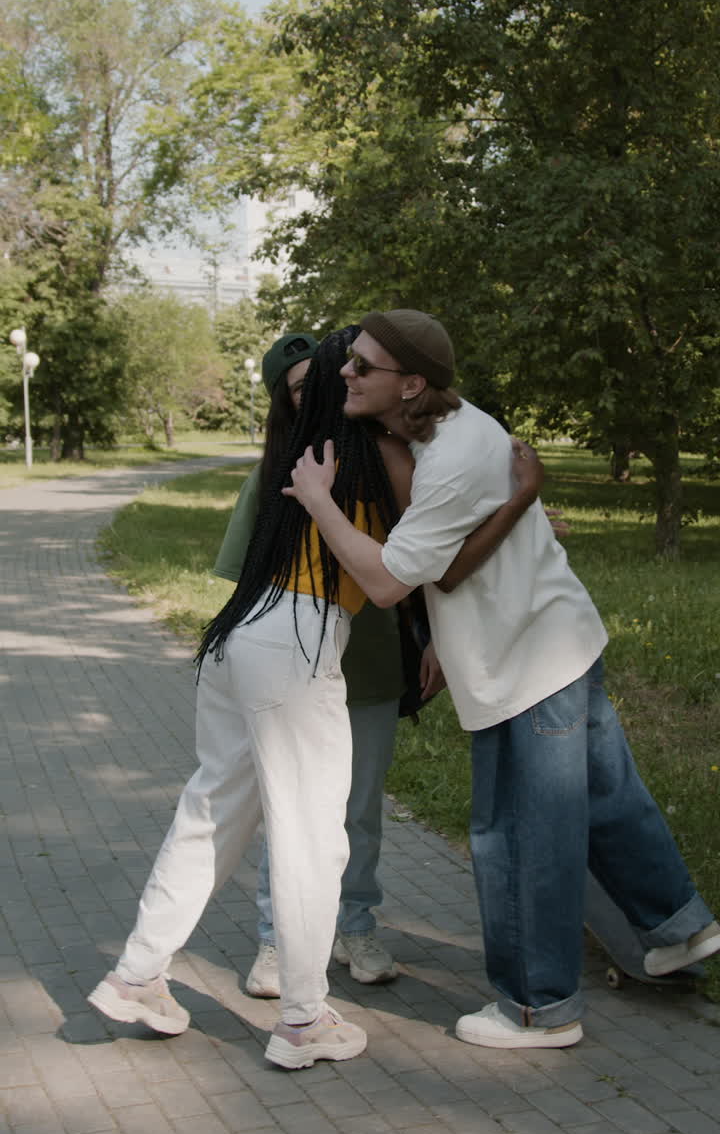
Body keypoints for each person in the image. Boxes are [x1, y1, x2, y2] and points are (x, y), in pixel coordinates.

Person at [283, 307, 720, 1051]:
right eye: (348, 363)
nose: (346, 375)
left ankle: (537, 1009)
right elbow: (445, 557)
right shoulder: (455, 428)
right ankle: (678, 928)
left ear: (411, 382)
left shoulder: (456, 459)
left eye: (362, 366)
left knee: (521, 838)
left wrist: (320, 500)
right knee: (609, 799)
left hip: (526, 664)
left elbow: (392, 581)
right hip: (562, 641)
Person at [88, 326, 409, 1070]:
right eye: (354, 370)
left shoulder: (302, 451)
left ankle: (136, 975)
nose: (362, 379)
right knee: (310, 836)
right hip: (296, 645)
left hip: (246, 633)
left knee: (211, 815)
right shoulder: (372, 457)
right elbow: (403, 571)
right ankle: (302, 1020)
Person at [213, 331, 547, 997]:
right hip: (293, 670)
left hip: (368, 668)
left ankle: (355, 924)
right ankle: (277, 942)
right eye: (304, 387)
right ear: (288, 402)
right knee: (292, 808)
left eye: (331, 379)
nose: (326, 394)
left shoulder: (391, 462)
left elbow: (428, 559)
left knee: (359, 809)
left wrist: (431, 640)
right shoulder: (276, 474)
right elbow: (242, 583)